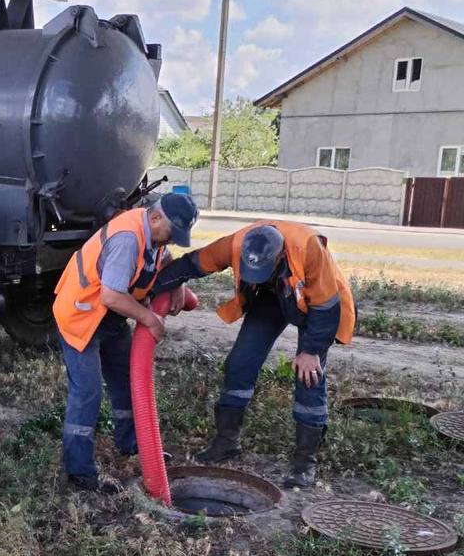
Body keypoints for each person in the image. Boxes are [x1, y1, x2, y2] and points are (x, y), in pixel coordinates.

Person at [151, 220, 356, 488]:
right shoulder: (236, 243)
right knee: (240, 364)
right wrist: (154, 289)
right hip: (271, 296)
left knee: (308, 377)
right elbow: (192, 264)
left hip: (318, 307)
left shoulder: (308, 247)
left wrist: (311, 350)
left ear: (280, 256)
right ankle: (226, 442)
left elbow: (327, 305)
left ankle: (305, 464)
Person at [52, 192, 200, 492]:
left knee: (126, 382)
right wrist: (149, 318)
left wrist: (178, 285)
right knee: (88, 393)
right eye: (171, 234)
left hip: (110, 318)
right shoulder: (127, 238)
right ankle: (79, 473)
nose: (169, 241)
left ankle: (132, 443)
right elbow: (111, 295)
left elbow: (164, 258)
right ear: (156, 217)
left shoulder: (153, 235)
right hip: (82, 317)